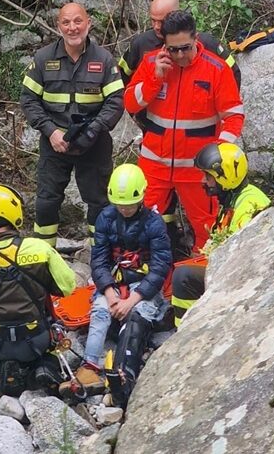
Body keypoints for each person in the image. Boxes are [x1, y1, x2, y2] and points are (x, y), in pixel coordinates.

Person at [124, 10, 245, 254]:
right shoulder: (150, 63)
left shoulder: (216, 69)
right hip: (154, 164)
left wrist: (219, 151)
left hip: (196, 170)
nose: (179, 55)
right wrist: (154, 80)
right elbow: (129, 103)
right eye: (173, 49)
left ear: (196, 38)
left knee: (208, 230)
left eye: (185, 48)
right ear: (164, 44)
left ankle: (201, 284)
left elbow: (233, 116)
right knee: (139, 228)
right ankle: (148, 283)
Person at [60, 164, 172, 407]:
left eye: (129, 205)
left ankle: (124, 372)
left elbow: (160, 267)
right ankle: (90, 366)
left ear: (140, 198)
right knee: (100, 312)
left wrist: (132, 300)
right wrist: (110, 294)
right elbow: (99, 260)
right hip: (115, 281)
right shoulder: (106, 217)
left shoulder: (154, 224)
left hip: (142, 285)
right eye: (120, 204)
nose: (124, 208)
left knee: (137, 317)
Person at [0, 185, 76, 396]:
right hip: (37, 337)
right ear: (15, 213)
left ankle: (5, 369)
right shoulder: (39, 248)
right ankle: (42, 365)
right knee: (46, 327)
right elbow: (67, 286)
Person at [20, 2, 124, 247]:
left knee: (99, 200)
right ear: (59, 26)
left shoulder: (104, 59)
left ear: (88, 23)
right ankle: (43, 254)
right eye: (66, 22)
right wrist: (50, 131)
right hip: (54, 143)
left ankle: (99, 254)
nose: (72, 27)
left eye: (78, 21)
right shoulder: (43, 59)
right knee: (46, 199)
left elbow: (116, 101)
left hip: (94, 143)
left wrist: (94, 129)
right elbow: (28, 99)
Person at [171, 142, 270, 327]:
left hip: (242, 276)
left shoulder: (249, 204)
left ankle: (189, 329)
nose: (203, 181)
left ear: (226, 178)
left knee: (183, 277)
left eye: (208, 176)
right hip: (228, 269)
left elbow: (240, 254)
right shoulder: (233, 198)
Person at [118, 0, 240, 89]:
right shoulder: (140, 43)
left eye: (161, 21)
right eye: (153, 20)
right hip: (151, 114)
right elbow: (122, 77)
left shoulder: (206, 43)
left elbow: (233, 73)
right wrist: (136, 113)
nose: (156, 26)